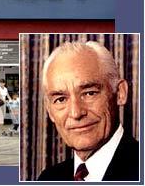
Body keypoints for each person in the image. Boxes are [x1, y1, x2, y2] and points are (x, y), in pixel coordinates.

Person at [37, 41, 138, 181]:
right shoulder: (48, 178)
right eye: (60, 99)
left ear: (120, 93)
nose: (76, 113)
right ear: (50, 111)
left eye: (89, 93)